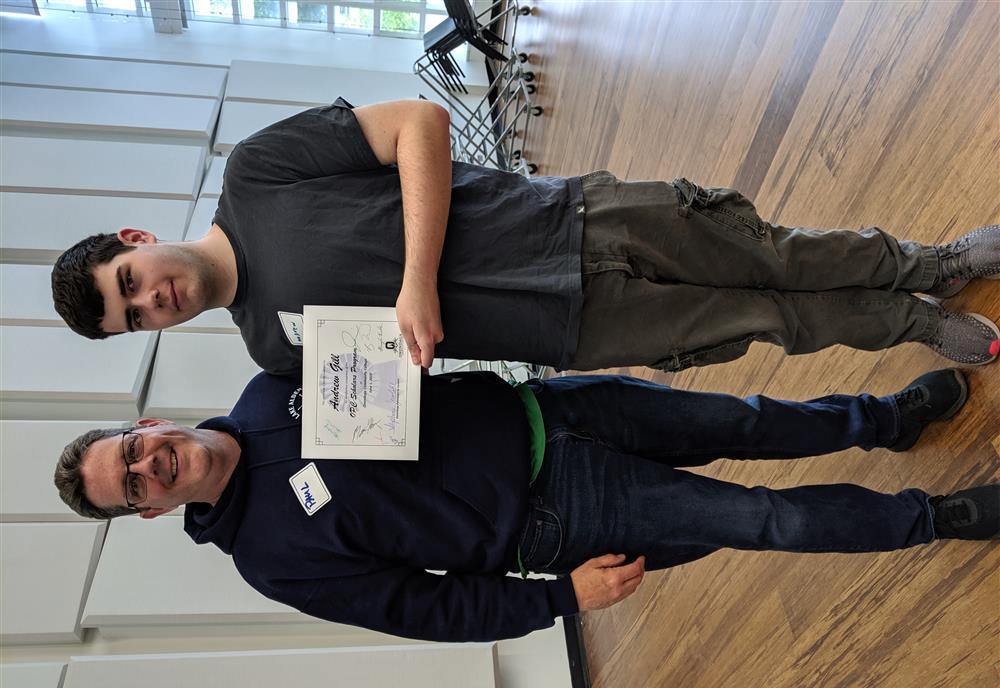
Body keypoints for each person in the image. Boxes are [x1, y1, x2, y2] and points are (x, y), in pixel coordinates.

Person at [51, 98, 1000, 374]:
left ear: (135, 238)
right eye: (132, 317)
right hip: (568, 335)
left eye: (128, 280)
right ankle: (910, 325)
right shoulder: (272, 353)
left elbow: (417, 125)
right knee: (765, 321)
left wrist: (417, 277)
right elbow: (398, 392)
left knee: (771, 253)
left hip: (565, 219)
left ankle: (936, 262)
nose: (149, 300)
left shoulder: (256, 172)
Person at [53, 367, 998, 643]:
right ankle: (938, 519)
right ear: (144, 512)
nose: (151, 467)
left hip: (552, 405)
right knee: (763, 520)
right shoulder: (270, 560)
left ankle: (883, 420)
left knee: (747, 419)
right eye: (133, 485)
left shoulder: (268, 391)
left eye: (133, 451)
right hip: (558, 515)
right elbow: (418, 607)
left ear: (147, 422)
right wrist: (557, 601)